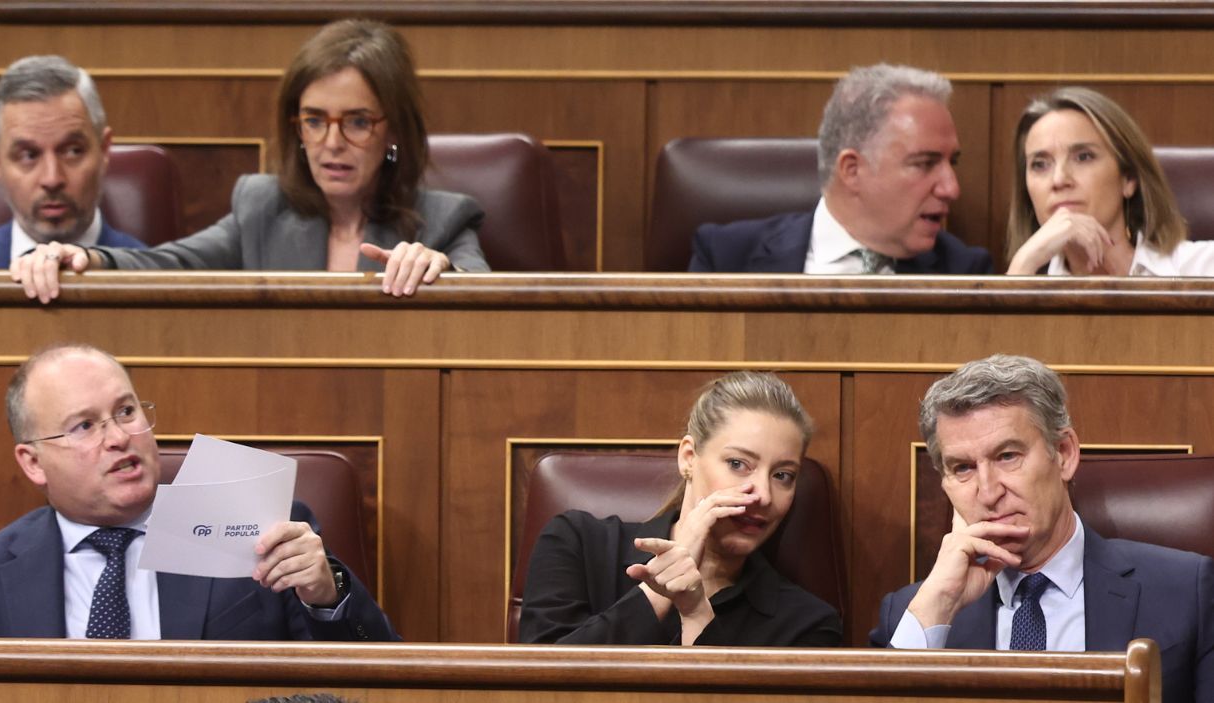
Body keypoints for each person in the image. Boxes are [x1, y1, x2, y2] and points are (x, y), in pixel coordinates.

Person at [10, 19, 489, 303]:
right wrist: (87, 256)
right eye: (314, 120)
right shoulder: (264, 207)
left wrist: (440, 273)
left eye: (358, 122)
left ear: (395, 130)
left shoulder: (443, 218)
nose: (332, 142)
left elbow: (492, 297)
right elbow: (168, 264)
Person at [0, 342, 398, 641]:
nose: (117, 437)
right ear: (33, 462)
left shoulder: (260, 526)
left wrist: (325, 596)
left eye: (126, 411)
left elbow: (375, 680)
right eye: (84, 426)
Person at [870, 354, 1212, 703]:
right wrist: (939, 603)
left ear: (1063, 453)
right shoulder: (913, 614)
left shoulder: (1186, 591)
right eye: (963, 468)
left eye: (1007, 456)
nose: (988, 492)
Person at [520, 371, 842, 646]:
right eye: (738, 464)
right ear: (689, 457)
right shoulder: (576, 543)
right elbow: (539, 689)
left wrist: (697, 614)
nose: (763, 495)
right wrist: (659, 590)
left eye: (782, 475)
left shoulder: (808, 624)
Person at [689, 63, 991, 275]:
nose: (951, 189)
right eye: (925, 164)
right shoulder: (726, 256)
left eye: (951, 163)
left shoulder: (966, 272)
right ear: (851, 170)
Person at [1005, 87, 1214, 276]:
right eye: (1040, 164)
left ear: (1129, 178)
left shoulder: (1202, 267)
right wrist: (1021, 268)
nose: (1059, 180)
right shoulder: (1027, 275)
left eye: (1083, 157)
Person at [0, 55, 145, 269]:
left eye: (72, 151)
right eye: (28, 156)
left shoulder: (153, 277)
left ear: (104, 149)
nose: (52, 179)